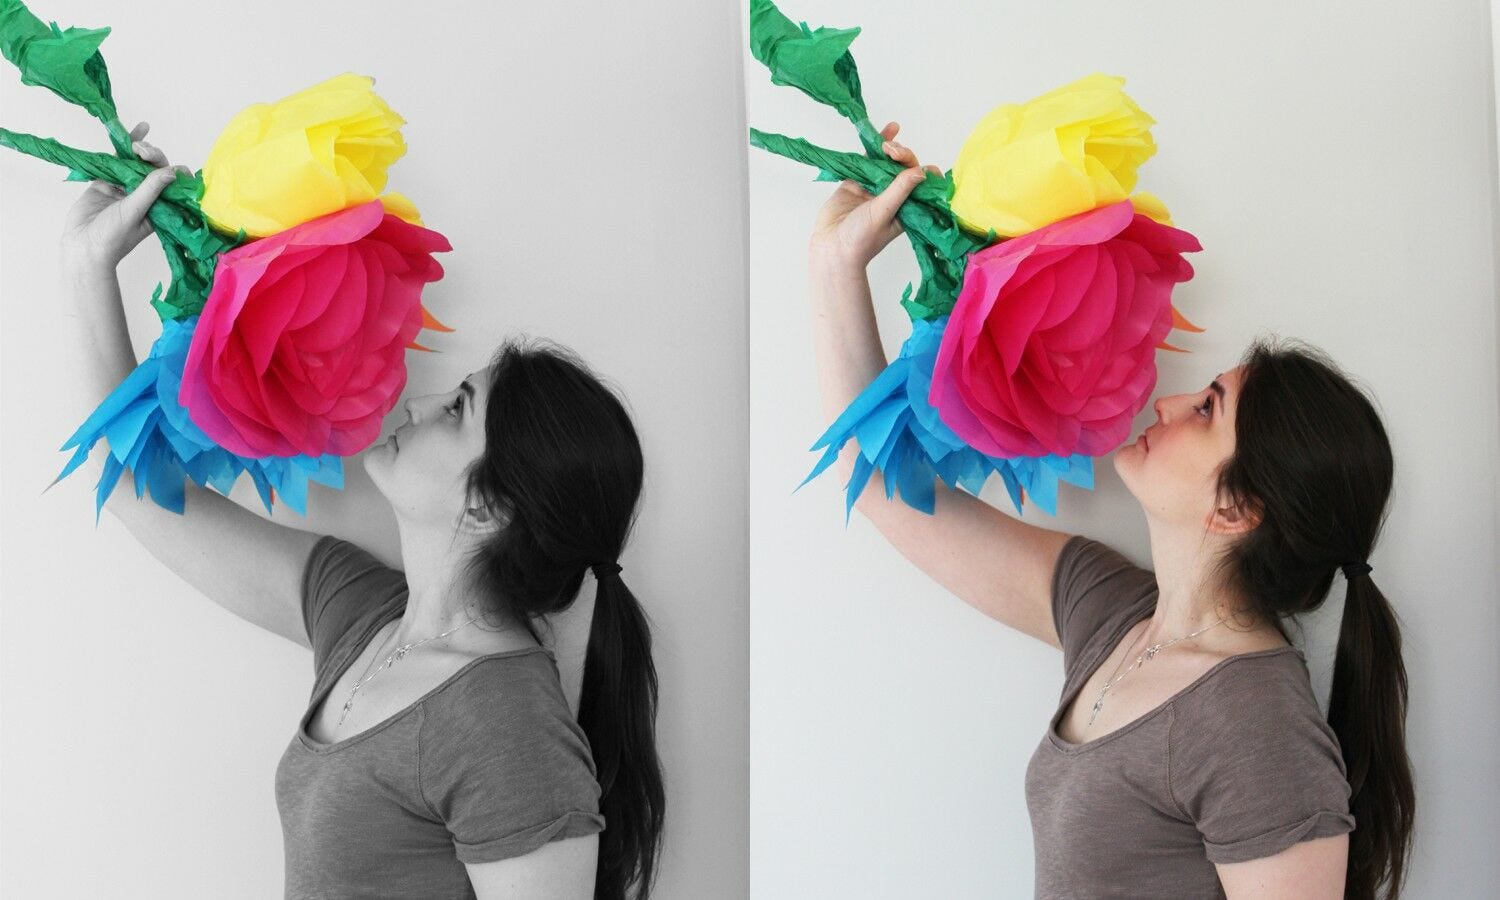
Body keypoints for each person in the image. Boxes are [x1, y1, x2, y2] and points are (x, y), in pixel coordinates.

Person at [803, 120, 1414, 899]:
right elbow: (882, 482)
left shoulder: (1256, 727)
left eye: (1208, 409)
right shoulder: (1109, 613)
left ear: (1238, 509)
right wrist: (835, 263)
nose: (1170, 399)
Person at [58, 122, 664, 900]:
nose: (419, 399)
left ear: (491, 507)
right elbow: (141, 491)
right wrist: (87, 267)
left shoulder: (506, 723)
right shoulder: (360, 614)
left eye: (457, 410)